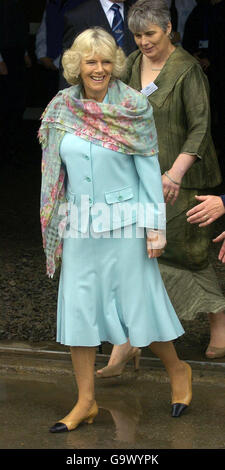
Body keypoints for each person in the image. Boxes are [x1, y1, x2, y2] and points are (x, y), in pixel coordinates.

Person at [38, 27, 192, 431]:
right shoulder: (60, 109)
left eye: (106, 61)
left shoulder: (133, 107)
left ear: (115, 66)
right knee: (79, 311)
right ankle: (85, 401)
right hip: (79, 226)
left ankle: (178, 371)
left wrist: (155, 229)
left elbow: (147, 171)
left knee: (138, 307)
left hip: (125, 226)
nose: (99, 69)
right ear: (76, 65)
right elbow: (55, 174)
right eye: (91, 61)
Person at [96, 0, 225, 377]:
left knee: (188, 254)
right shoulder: (134, 63)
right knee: (139, 253)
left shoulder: (187, 70)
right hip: (140, 173)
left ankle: (217, 320)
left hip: (182, 179)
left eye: (150, 34)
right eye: (137, 36)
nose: (143, 42)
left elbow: (201, 128)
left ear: (168, 28)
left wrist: (175, 173)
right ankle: (130, 340)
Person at [59, 0, 137, 89]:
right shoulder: (78, 16)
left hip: (135, 93)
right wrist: (70, 101)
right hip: (93, 96)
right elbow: (69, 64)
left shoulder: (140, 9)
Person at [0, 0, 31, 166]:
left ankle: (12, 150)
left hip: (16, 56)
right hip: (5, 56)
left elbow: (19, 26)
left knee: (17, 105)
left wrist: (24, 52)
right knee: (5, 107)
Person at [35, 0, 83, 104]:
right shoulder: (53, 3)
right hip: (51, 66)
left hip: (74, 67)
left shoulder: (84, 4)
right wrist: (42, 55)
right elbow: (44, 29)